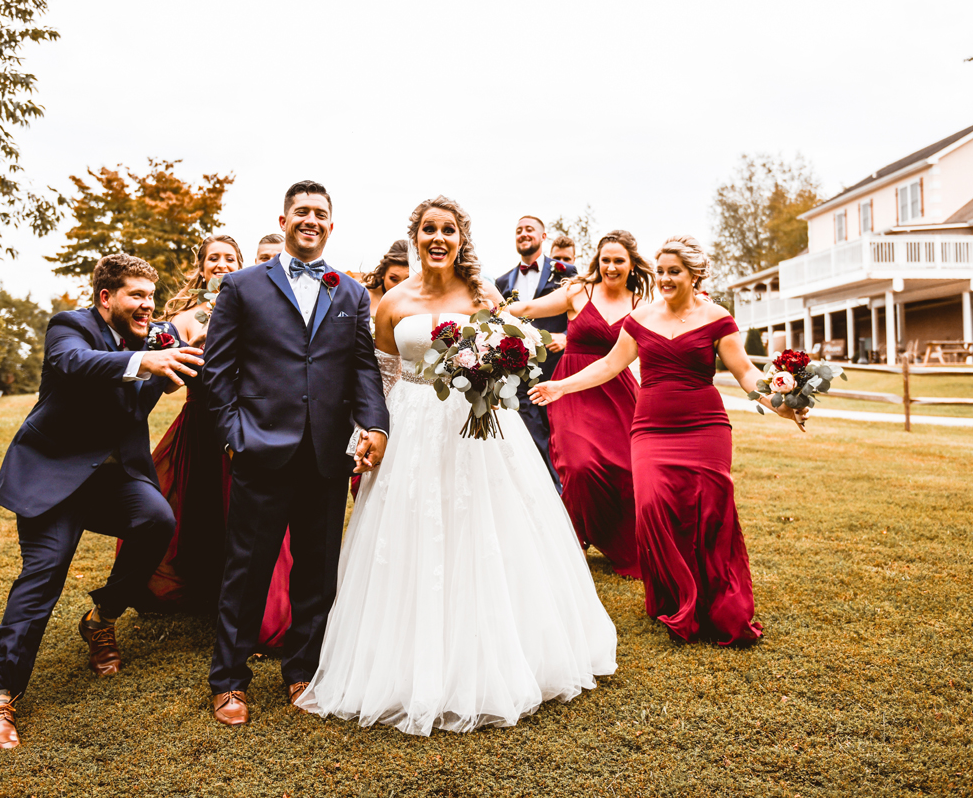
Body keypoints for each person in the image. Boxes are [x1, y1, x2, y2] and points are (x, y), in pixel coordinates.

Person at [296, 196, 617, 736]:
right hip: (409, 426)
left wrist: (494, 371)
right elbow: (381, 377)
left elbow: (518, 348)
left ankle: (494, 652)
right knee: (408, 534)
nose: (438, 238)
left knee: (484, 530)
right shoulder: (393, 302)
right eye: (428, 229)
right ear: (416, 236)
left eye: (448, 230)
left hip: (478, 424)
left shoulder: (482, 295)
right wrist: (366, 433)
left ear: (461, 238)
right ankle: (403, 660)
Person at [531, 235, 807, 645]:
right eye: (660, 271)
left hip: (706, 425)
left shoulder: (718, 318)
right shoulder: (641, 317)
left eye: (673, 271)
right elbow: (609, 365)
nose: (663, 278)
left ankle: (718, 601)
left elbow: (746, 373)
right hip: (651, 428)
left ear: (695, 274)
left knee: (711, 512)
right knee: (653, 507)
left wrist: (778, 402)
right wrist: (562, 387)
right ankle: (676, 597)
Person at [0, 254, 204, 749]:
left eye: (151, 295)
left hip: (112, 479)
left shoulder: (153, 339)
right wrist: (141, 362)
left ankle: (101, 620)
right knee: (43, 578)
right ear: (106, 298)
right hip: (53, 478)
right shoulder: (70, 326)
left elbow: (170, 373)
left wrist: (171, 373)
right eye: (136, 295)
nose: (148, 305)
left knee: (157, 520)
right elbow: (73, 363)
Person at [202, 180, 390, 726]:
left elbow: (362, 368)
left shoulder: (351, 293)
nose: (311, 219)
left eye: (321, 213)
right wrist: (234, 433)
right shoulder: (241, 286)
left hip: (326, 452)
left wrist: (374, 422)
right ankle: (229, 680)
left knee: (317, 567)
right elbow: (218, 372)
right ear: (283, 220)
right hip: (261, 445)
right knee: (247, 569)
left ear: (332, 225)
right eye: (301, 212)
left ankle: (301, 670)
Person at [122, 235, 294, 650]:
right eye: (212, 258)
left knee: (248, 512)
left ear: (242, 264)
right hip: (200, 422)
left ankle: (263, 606)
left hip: (247, 422)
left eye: (229, 258)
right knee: (192, 508)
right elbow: (165, 360)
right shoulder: (186, 316)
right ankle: (200, 585)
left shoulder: (256, 304)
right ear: (201, 267)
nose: (221, 264)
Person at [507, 230, 653, 577]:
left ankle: (618, 541)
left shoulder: (640, 305)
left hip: (617, 389)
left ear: (632, 264)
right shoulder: (577, 291)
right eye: (606, 260)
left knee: (626, 469)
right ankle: (571, 538)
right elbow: (527, 308)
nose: (612, 267)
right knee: (577, 465)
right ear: (597, 261)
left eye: (619, 261)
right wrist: (484, 309)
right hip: (569, 387)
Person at [494, 215, 576, 490]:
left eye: (529, 229)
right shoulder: (502, 281)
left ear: (543, 237)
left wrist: (565, 336)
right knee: (531, 434)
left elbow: (583, 314)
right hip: (518, 373)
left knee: (561, 436)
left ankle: (567, 491)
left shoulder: (566, 271)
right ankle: (549, 491)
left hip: (557, 369)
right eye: (518, 230)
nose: (523, 233)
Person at [362, 239, 411, 318]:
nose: (400, 286)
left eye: (408, 280)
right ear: (383, 273)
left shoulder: (423, 301)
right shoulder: (363, 297)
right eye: (394, 279)